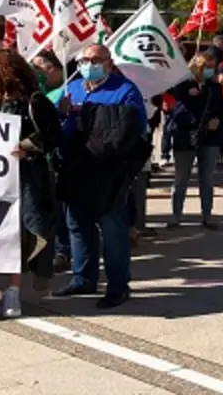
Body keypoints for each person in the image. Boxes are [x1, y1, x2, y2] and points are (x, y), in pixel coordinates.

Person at [53, 44, 149, 309]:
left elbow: (136, 128)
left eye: (96, 60)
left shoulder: (125, 90)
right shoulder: (71, 88)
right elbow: (57, 126)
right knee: (77, 226)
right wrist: (62, 113)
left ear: (109, 63)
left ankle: (118, 287)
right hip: (75, 167)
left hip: (109, 172)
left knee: (112, 229)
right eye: (84, 60)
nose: (89, 65)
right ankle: (82, 278)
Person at [0, 50, 61, 320]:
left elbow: (53, 136)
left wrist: (27, 148)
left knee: (18, 235)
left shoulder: (36, 103)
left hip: (27, 179)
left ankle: (12, 291)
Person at [166, 53, 223, 229]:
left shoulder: (214, 87)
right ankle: (175, 216)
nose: (210, 70)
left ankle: (207, 216)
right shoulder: (182, 85)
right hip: (185, 136)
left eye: (212, 67)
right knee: (181, 177)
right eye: (206, 67)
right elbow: (176, 111)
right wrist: (190, 91)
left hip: (209, 138)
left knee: (207, 177)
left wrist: (218, 119)